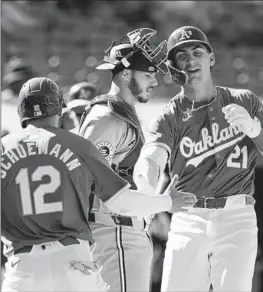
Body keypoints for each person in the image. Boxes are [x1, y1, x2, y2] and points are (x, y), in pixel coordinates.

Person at [1, 77, 196, 292]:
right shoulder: (79, 145)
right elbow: (121, 202)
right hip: (73, 263)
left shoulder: (3, 149)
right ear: (58, 110)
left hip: (23, 267)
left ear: (21, 111)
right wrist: (167, 201)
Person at [133, 26, 263, 292]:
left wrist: (255, 129)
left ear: (211, 58)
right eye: (181, 56)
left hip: (237, 215)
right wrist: (147, 193)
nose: (191, 60)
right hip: (188, 217)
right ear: (172, 67)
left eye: (197, 51)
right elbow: (152, 160)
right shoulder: (169, 115)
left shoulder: (245, 100)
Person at [78, 27, 175, 292]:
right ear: (126, 73)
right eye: (148, 75)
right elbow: (84, 180)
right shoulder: (107, 118)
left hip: (122, 231)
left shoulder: (120, 114)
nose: (154, 83)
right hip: (115, 233)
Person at [1, 56, 35, 135]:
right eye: (15, 82)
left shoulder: (40, 101)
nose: (19, 84)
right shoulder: (3, 100)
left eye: (23, 80)